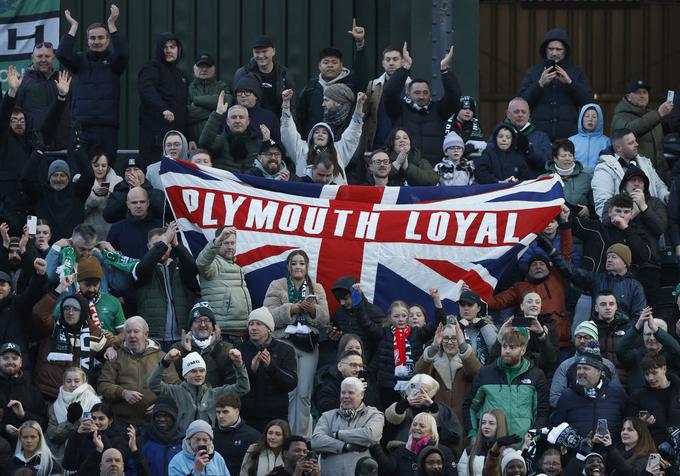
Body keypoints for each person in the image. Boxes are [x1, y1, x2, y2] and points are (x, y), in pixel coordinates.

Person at [263, 249, 330, 438]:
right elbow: (269, 317)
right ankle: (283, 435)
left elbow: (325, 319)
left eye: (301, 263)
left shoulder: (316, 288)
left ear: (307, 266)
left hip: (308, 344)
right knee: (288, 392)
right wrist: (291, 309)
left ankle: (300, 439)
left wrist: (313, 311)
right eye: (294, 263)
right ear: (288, 267)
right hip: (285, 343)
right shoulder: (277, 286)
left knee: (303, 393)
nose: (298, 267)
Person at [56, 5, 128, 165]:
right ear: (88, 41)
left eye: (101, 38)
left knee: (105, 172)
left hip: (107, 129)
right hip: (81, 128)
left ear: (108, 40)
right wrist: (73, 27)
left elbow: (123, 53)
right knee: (78, 174)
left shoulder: (114, 63)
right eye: (92, 38)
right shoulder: (79, 61)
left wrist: (112, 24)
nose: (97, 41)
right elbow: (61, 53)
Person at [463, 325, 549, 439]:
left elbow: (541, 412)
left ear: (523, 350)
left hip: (522, 446)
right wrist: (473, 434)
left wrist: (533, 438)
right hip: (491, 445)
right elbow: (470, 407)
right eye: (504, 347)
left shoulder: (536, 375)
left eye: (512, 347)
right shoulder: (485, 374)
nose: (507, 351)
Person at [383, 43, 461, 165]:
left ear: (430, 93)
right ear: (408, 93)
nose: (421, 96)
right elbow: (389, 93)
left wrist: (445, 70)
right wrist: (405, 68)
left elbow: (454, 97)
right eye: (417, 92)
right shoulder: (398, 110)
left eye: (425, 92)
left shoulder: (439, 110)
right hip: (406, 167)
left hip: (434, 168)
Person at [97, 316, 180, 426]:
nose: (132, 335)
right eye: (128, 332)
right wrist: (122, 393)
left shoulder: (162, 357)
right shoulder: (114, 357)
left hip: (154, 422)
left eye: (136, 331)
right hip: (121, 422)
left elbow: (175, 388)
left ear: (145, 334)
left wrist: (161, 405)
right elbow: (103, 385)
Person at [148, 346, 250, 433]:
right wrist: (165, 361)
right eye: (193, 371)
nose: (198, 375)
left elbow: (243, 388)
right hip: (181, 443)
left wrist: (239, 364)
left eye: (202, 371)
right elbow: (153, 384)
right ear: (185, 374)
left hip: (207, 443)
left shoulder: (215, 393)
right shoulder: (174, 391)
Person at [372, 290, 446, 408]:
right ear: (390, 317)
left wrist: (437, 300)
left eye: (404, 316)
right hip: (388, 387)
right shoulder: (383, 333)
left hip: (413, 386)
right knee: (391, 420)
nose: (400, 319)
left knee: (412, 419)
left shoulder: (417, 333)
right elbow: (365, 323)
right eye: (396, 316)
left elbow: (440, 322)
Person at [517, 28, 593, 140]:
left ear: (565, 51)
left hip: (569, 137)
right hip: (539, 136)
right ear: (545, 50)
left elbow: (589, 102)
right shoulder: (533, 72)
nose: (554, 53)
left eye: (559, 49)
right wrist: (539, 84)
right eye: (551, 49)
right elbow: (521, 102)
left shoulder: (577, 72)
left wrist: (570, 83)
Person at [29, 288, 106, 399]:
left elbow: (113, 348)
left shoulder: (93, 333)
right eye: (66, 308)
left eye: (75, 309)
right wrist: (58, 290)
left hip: (80, 396)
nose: (70, 312)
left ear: (83, 311)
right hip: (48, 394)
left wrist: (110, 348)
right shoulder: (52, 327)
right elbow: (39, 313)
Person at [296, 19, 368, 136]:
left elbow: (362, 72)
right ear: (319, 66)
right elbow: (301, 118)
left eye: (334, 62)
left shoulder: (351, 85)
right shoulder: (310, 88)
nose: (330, 65)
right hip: (315, 143)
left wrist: (359, 42)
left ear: (341, 65)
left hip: (344, 142)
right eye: (326, 62)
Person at [134, 223, 200, 350]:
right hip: (153, 338)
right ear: (149, 247)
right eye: (157, 245)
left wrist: (176, 244)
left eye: (166, 245)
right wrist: (164, 241)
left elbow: (193, 267)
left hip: (180, 337)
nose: (162, 249)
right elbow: (143, 268)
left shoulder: (179, 267)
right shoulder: (141, 267)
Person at [281, 88, 366, 184]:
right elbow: (288, 131)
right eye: (316, 132)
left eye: (324, 133)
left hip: (332, 196)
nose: (320, 134)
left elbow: (353, 132)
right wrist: (286, 104)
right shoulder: (301, 149)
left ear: (329, 137)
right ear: (311, 136)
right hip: (305, 196)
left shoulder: (339, 150)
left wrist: (359, 106)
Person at [235, 308, 298, 431]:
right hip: (246, 417)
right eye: (251, 324)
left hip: (276, 418)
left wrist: (271, 367)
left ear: (269, 328)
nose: (253, 328)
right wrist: (251, 370)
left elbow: (291, 383)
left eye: (259, 324)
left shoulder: (285, 350)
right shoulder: (239, 349)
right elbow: (231, 382)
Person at [551, 341, 628, 439]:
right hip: (576, 453)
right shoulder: (567, 396)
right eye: (579, 368)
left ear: (599, 371)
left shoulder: (617, 393)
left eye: (586, 368)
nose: (580, 372)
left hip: (611, 451)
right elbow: (555, 430)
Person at [415, 322, 482, 433]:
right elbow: (419, 376)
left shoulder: (468, 358)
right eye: (445, 338)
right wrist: (434, 347)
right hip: (437, 422)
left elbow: (477, 374)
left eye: (454, 338)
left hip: (463, 422)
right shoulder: (432, 359)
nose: (449, 342)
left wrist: (462, 345)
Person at [311, 377, 385, 476]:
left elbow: (370, 435)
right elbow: (316, 441)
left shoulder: (374, 415)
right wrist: (345, 446)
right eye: (343, 392)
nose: (346, 396)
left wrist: (337, 434)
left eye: (350, 393)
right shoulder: (327, 416)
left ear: (362, 395)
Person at [138, 32, 192, 166]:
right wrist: (164, 109)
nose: (168, 51)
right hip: (155, 139)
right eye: (165, 47)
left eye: (172, 47)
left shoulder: (181, 75)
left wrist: (191, 138)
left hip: (178, 139)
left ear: (178, 49)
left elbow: (184, 108)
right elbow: (147, 90)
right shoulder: (151, 68)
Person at [592, 128, 669, 218]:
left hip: (651, 218)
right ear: (618, 148)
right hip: (624, 225)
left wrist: (666, 196)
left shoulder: (644, 162)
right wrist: (624, 220)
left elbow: (658, 185)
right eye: (631, 143)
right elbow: (603, 205)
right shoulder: (604, 169)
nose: (637, 144)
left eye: (635, 141)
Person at [21, 146, 94, 241]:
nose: (58, 179)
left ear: (68, 177)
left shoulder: (78, 192)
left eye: (62, 175)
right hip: (44, 247)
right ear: (49, 177)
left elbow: (89, 176)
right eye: (55, 175)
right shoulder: (40, 193)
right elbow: (25, 178)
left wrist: (78, 150)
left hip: (72, 248)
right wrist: (38, 153)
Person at [611, 79, 674, 183]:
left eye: (645, 92)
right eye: (637, 92)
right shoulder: (620, 116)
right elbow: (628, 132)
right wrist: (658, 114)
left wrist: (666, 173)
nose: (642, 95)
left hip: (658, 176)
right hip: (635, 177)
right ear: (628, 97)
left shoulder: (653, 117)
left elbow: (660, 149)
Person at [383, 373, 463, 454]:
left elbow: (453, 435)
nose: (420, 394)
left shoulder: (442, 409)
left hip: (430, 454)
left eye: (425, 391)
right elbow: (388, 427)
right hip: (401, 452)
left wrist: (433, 407)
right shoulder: (402, 408)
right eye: (416, 390)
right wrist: (403, 405)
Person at [196, 226, 252, 339]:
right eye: (225, 243)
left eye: (232, 243)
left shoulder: (237, 267)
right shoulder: (213, 264)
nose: (230, 247)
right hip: (222, 333)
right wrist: (218, 241)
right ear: (219, 242)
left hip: (241, 332)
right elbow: (201, 262)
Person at [549, 320, 621, 408]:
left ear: (595, 340)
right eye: (579, 337)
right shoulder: (565, 366)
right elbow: (554, 398)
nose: (582, 341)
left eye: (587, 337)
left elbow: (618, 394)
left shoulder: (608, 365)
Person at [168, 302, 236, 387]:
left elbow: (231, 380)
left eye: (207, 320)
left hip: (216, 397)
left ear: (213, 326)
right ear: (191, 325)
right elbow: (173, 380)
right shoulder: (177, 348)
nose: (203, 325)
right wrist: (187, 353)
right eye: (198, 320)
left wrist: (216, 350)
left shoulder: (227, 348)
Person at [370, 412, 457, 476]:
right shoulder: (402, 450)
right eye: (414, 424)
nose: (416, 428)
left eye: (422, 426)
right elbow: (388, 468)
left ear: (431, 431)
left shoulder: (443, 451)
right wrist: (375, 445)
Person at [615, 310, 680, 393]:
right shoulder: (635, 356)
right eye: (648, 334)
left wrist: (655, 329)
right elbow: (619, 349)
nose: (652, 338)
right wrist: (637, 326)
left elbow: (677, 350)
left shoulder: (670, 356)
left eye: (656, 334)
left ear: (664, 336)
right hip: (639, 403)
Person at [233, 35, 296, 119]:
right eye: (257, 52)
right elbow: (237, 103)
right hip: (252, 124)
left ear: (273, 51)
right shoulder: (243, 73)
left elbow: (292, 104)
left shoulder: (284, 74)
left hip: (277, 124)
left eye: (264, 51)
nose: (261, 55)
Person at [0, 256, 46, 368]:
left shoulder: (18, 304)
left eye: (2, 285)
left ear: (10, 288)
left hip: (17, 367)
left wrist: (39, 275)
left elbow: (32, 294)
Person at [14, 43, 65, 146]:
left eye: (47, 56)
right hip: (32, 144)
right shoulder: (22, 82)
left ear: (54, 58)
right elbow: (16, 113)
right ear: (32, 58)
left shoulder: (63, 80)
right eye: (39, 56)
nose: (43, 60)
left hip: (61, 143)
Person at [46, 367, 101, 459]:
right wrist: (69, 422)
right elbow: (52, 435)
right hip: (62, 454)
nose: (72, 384)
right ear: (63, 383)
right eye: (68, 381)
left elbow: (101, 428)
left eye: (76, 381)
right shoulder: (54, 407)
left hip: (88, 452)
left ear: (83, 382)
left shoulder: (94, 401)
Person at [62, 402, 129, 474]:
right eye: (93, 418)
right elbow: (68, 465)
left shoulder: (120, 439)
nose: (96, 422)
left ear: (110, 421)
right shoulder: (84, 436)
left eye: (101, 419)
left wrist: (97, 434)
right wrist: (77, 434)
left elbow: (113, 461)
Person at [361, 45, 407, 152]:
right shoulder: (373, 86)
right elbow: (365, 115)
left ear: (403, 62)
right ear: (383, 63)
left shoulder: (411, 86)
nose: (391, 63)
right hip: (377, 146)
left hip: (403, 148)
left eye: (395, 59)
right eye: (388, 59)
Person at [629, 353, 680, 447]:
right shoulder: (638, 396)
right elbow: (629, 424)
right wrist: (641, 424)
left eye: (654, 373)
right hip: (653, 448)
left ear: (664, 369)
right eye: (647, 374)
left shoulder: (677, 389)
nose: (650, 378)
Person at [328, 277, 384, 362]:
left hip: (369, 365)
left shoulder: (375, 312)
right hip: (344, 363)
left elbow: (381, 339)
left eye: (345, 298)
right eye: (339, 299)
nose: (342, 303)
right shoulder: (339, 313)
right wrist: (335, 339)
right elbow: (337, 345)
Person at [199, 98, 260, 173]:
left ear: (248, 121)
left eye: (241, 117)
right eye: (234, 117)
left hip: (249, 183)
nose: (237, 121)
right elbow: (204, 143)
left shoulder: (257, 143)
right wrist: (218, 113)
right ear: (227, 121)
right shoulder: (220, 140)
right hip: (224, 183)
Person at [0, 342, 47, 433]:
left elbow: (44, 423)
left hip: (26, 443)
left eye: (14, 358)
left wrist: (23, 415)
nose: (10, 362)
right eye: (5, 358)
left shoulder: (32, 390)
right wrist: (4, 429)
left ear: (21, 362)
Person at [106, 187, 163, 260]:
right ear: (127, 204)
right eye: (134, 202)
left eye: (142, 202)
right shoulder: (117, 228)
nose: (138, 206)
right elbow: (110, 257)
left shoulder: (160, 226)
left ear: (148, 203)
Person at [103, 157, 165, 223]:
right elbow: (108, 216)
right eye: (128, 170)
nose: (132, 173)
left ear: (144, 173)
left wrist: (140, 190)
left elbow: (162, 213)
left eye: (136, 169)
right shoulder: (117, 193)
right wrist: (129, 194)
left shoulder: (156, 193)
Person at [503, 97, 553, 178]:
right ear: (508, 114)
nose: (520, 115)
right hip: (507, 185)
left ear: (529, 114)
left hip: (533, 185)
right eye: (516, 112)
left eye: (523, 112)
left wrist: (528, 149)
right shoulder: (498, 135)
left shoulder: (541, 137)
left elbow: (547, 163)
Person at [544, 139, 593, 219]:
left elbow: (595, 203)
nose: (567, 158)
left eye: (570, 155)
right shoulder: (545, 179)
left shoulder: (586, 178)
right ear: (555, 158)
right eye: (563, 156)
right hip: (554, 225)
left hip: (580, 223)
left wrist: (589, 210)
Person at [188, 53, 232, 140]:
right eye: (200, 66)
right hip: (194, 142)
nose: (204, 69)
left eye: (207, 66)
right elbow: (186, 113)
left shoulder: (222, 86)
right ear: (194, 68)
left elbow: (227, 103)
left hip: (218, 141)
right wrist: (217, 112)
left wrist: (196, 100)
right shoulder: (188, 88)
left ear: (214, 68)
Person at [213, 394, 260, 476]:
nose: (220, 416)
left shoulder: (252, 436)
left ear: (237, 412)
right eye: (218, 412)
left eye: (225, 412)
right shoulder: (211, 434)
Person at [84, 150, 123, 240]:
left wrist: (110, 196)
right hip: (88, 233)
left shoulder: (118, 181)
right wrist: (94, 198)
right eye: (96, 165)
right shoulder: (79, 180)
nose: (100, 169)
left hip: (111, 232)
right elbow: (76, 212)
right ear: (90, 165)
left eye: (104, 166)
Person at [139, 397, 183, 476]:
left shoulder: (184, 443)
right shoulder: (143, 441)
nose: (162, 419)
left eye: (166, 416)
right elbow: (134, 469)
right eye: (158, 416)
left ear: (173, 418)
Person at [457, 409, 509, 476]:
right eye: (483, 423)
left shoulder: (509, 452)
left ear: (500, 426)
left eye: (491, 423)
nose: (486, 426)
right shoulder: (469, 451)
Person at [234, 74, 280, 142]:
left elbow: (277, 145)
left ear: (256, 96)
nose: (243, 95)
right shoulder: (228, 115)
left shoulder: (269, 117)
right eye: (239, 92)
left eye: (247, 92)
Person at [568, 104, 611, 173]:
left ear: (599, 120)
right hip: (576, 177)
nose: (590, 119)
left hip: (599, 176)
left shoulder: (607, 141)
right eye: (587, 116)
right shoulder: (571, 140)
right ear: (581, 119)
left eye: (594, 117)